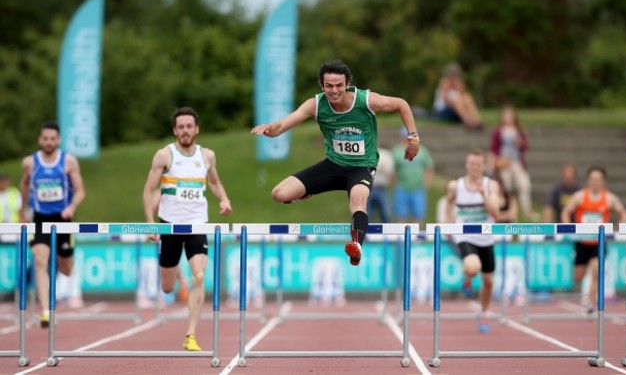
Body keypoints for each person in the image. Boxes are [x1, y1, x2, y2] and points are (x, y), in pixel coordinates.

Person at [251, 59, 420, 266]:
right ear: (322, 86)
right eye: (329, 86)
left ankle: (356, 246)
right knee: (279, 194)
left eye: (339, 85)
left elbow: (401, 104)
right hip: (333, 166)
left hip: (361, 168)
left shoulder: (365, 100)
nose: (334, 91)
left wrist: (413, 139)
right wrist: (269, 128)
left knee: (358, 200)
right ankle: (309, 190)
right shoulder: (316, 104)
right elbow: (281, 126)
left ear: (347, 83)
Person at [142, 106, 232, 351]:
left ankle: (190, 335)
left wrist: (223, 199)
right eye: (180, 127)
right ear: (175, 130)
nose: (185, 131)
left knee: (200, 276)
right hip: (170, 226)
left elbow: (214, 181)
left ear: (196, 129)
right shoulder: (164, 155)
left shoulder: (207, 156)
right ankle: (178, 274)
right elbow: (148, 190)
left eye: (189, 126)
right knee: (167, 287)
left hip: (196, 225)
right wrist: (150, 225)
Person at [18, 121, 86, 328]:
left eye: (52, 139)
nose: (48, 142)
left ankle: (61, 256)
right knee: (40, 260)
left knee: (66, 268)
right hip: (40, 217)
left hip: (63, 218)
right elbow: (24, 184)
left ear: (58, 140)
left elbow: (80, 190)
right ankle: (46, 311)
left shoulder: (69, 162)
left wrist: (71, 208)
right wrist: (24, 210)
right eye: (45, 139)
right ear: (40, 140)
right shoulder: (30, 162)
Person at [445, 149, 500, 333]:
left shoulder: (491, 185)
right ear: (467, 165)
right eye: (472, 164)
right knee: (473, 266)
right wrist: (447, 225)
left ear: (483, 166)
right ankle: (468, 275)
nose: (475, 168)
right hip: (465, 236)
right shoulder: (456, 185)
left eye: (478, 164)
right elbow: (449, 203)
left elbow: (496, 213)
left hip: (486, 238)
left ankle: (483, 312)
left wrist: (484, 195)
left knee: (489, 281)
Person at [561, 166, 626, 313]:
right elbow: (566, 211)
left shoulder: (609, 198)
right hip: (581, 241)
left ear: (603, 181)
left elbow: (623, 213)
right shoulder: (580, 196)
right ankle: (587, 292)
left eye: (598, 179)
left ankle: (591, 303)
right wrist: (568, 227)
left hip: (599, 242)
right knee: (578, 276)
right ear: (588, 180)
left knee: (596, 271)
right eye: (592, 179)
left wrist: (619, 226)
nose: (595, 182)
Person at [489, 104, 538, 221]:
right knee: (507, 188)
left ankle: (527, 211)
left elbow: (524, 147)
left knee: (524, 185)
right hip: (504, 163)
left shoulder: (519, 130)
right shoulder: (498, 131)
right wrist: (492, 164)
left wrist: (520, 143)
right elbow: (493, 149)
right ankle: (512, 213)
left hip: (516, 162)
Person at [391, 127, 434, 225]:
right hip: (402, 188)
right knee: (400, 215)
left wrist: (427, 183)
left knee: (419, 215)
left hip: (418, 188)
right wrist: (394, 184)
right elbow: (392, 170)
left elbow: (429, 167)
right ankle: (401, 238)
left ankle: (417, 239)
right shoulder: (396, 151)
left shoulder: (422, 151)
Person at [432, 62, 483, 129]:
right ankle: (467, 120)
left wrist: (458, 87)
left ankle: (476, 119)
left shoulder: (459, 84)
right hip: (444, 110)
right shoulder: (445, 82)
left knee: (467, 97)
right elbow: (445, 101)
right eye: (453, 74)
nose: (454, 76)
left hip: (457, 111)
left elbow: (463, 98)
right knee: (456, 100)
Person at [366, 143, 394, 224]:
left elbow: (390, 172)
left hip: (381, 188)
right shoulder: (367, 154)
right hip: (369, 187)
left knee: (386, 214)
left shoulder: (386, 155)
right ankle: (366, 234)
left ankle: (387, 234)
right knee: (367, 214)